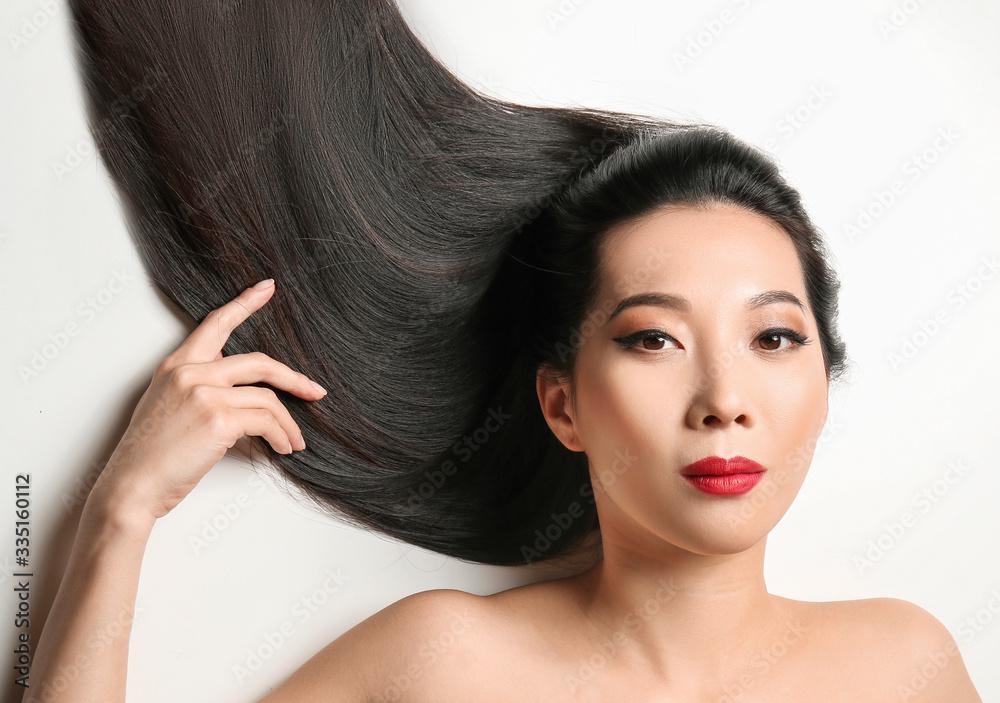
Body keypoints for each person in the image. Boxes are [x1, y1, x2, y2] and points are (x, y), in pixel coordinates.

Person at [31, 1, 983, 701]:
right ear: (561, 404)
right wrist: (121, 511)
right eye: (653, 338)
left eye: (774, 336)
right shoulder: (446, 665)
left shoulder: (903, 666)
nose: (724, 397)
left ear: (824, 378)